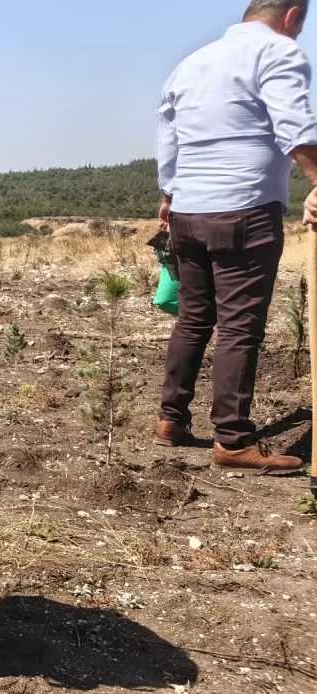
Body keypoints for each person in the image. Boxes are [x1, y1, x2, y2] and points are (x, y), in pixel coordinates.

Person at [154, 0, 317, 472]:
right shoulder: (278, 52)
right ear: (291, 17)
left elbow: (168, 135)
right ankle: (232, 440)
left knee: (193, 319)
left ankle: (170, 420)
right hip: (244, 210)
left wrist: (169, 194)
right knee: (240, 327)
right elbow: (295, 124)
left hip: (188, 211)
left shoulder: (191, 63)